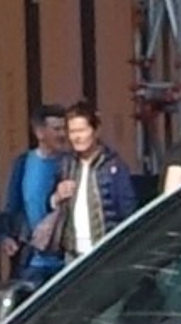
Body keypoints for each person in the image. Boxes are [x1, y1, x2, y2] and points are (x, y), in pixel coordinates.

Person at [45, 99, 137, 260]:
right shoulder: (66, 165)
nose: (77, 137)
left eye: (82, 130)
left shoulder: (113, 166)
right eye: (72, 131)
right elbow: (49, 203)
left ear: (96, 131)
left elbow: (127, 210)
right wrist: (57, 197)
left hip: (105, 252)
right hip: (72, 253)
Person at [0, 106, 65, 282]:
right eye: (56, 129)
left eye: (64, 128)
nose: (62, 134)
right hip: (31, 260)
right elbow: (12, 204)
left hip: (63, 259)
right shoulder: (23, 164)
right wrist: (6, 236)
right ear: (40, 133)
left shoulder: (69, 164)